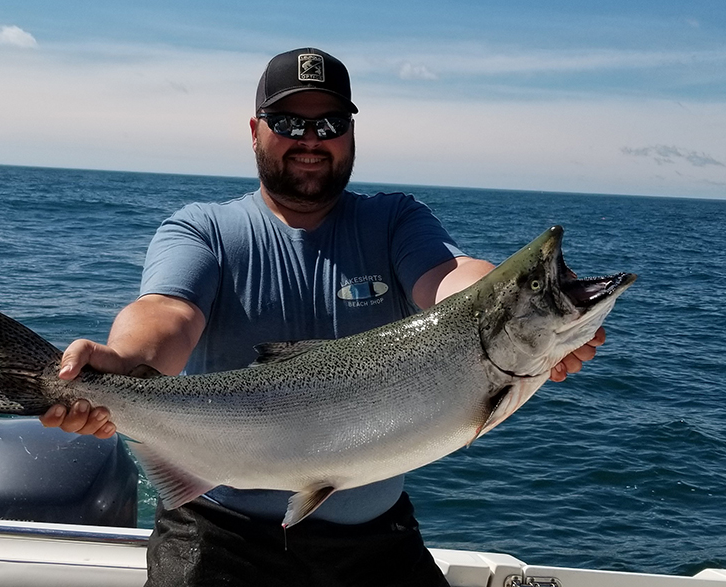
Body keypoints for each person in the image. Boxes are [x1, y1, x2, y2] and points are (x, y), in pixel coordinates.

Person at [40, 48, 605, 586]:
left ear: (352, 133)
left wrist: (527, 304)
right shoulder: (202, 229)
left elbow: (450, 277)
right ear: (255, 129)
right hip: (217, 533)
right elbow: (168, 312)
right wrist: (123, 363)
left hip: (373, 541)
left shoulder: (394, 220)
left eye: (330, 124)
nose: (310, 140)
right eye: (288, 121)